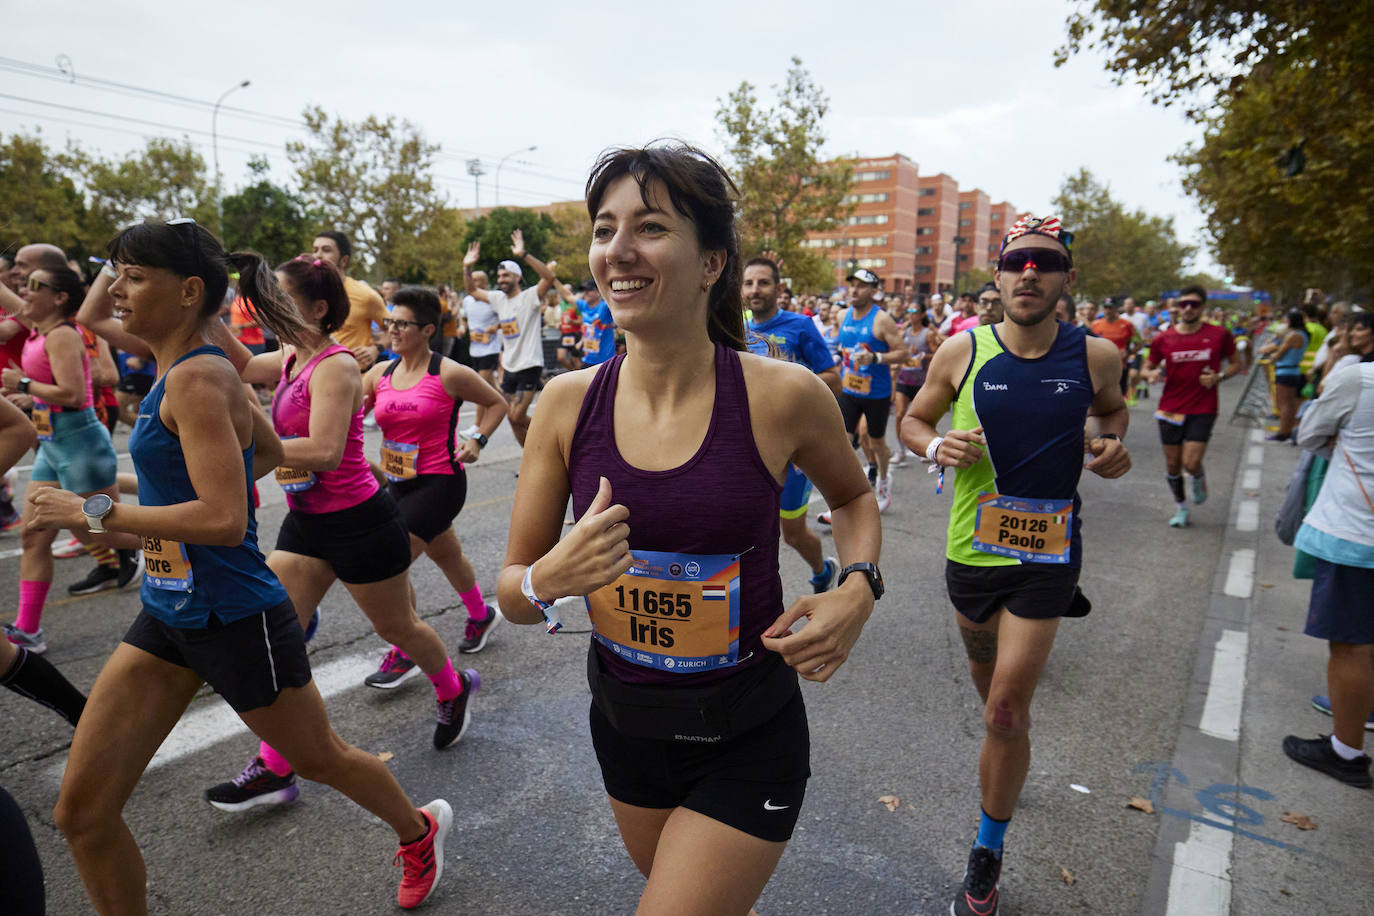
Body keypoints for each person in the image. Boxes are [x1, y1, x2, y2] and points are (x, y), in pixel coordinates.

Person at [497, 144, 882, 916]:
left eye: (649, 227)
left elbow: (854, 500)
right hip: (626, 729)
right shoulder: (567, 406)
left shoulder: (782, 396)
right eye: (605, 230)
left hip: (748, 734)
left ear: (712, 263)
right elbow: (510, 593)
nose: (618, 251)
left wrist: (857, 587)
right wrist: (551, 577)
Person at [27, 219, 450, 912]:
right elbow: (270, 453)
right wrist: (126, 254)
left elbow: (224, 521)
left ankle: (417, 828)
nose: (121, 290)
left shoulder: (198, 377)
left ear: (189, 291)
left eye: (136, 276)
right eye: (118, 272)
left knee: (320, 759)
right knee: (83, 815)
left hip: (236, 617)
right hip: (168, 610)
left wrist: (91, 515)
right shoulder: (189, 364)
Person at [901, 215, 1131, 916]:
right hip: (973, 553)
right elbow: (914, 421)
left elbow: (1113, 416)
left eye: (1045, 262)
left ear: (1064, 279)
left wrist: (1111, 447)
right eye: (1017, 261)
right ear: (997, 278)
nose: (1029, 272)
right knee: (987, 686)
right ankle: (1009, 753)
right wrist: (933, 447)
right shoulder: (960, 351)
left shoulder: (1094, 357)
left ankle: (988, 845)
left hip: (1049, 555)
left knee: (1005, 709)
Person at [208, 255, 477, 813]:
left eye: (281, 296)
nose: (268, 306)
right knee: (281, 632)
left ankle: (452, 687)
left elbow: (327, 452)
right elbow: (237, 362)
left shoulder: (334, 366)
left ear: (318, 308)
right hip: (306, 521)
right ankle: (275, 767)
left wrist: (245, 454)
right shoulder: (288, 359)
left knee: (398, 627)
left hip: (360, 522)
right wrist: (214, 294)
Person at [1, 267, 142, 654]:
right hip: (52, 443)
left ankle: (183, 540)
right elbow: (14, 305)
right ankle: (28, 629)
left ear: (60, 297)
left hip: (81, 444)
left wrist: (25, 386)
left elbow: (74, 394)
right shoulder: (37, 328)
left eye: (34, 286)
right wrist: (32, 399)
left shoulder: (64, 335)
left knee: (104, 531)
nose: (24, 292)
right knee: (34, 534)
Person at [363, 285, 509, 654]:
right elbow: (346, 416)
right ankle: (480, 614)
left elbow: (496, 403)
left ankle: (406, 649)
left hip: (440, 483)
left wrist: (477, 439)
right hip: (398, 481)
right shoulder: (380, 373)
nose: (392, 330)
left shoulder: (449, 373)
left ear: (428, 329)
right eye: (390, 322)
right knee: (447, 554)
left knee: (390, 564)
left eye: (402, 324)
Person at [1283, 357, 1374, 787]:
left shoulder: (1359, 379)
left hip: (1357, 534)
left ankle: (1346, 752)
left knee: (1354, 646)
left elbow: (1311, 434)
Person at [743, 255, 841, 592]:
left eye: (763, 282)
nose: (755, 290)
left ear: (778, 288)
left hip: (794, 449)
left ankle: (821, 572)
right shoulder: (738, 329)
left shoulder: (800, 326)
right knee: (745, 527)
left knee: (793, 532)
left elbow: (833, 377)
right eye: (749, 283)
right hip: (750, 446)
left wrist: (792, 386)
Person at [1143, 285, 1241, 528]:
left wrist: (1219, 377)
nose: (1188, 308)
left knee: (1191, 462)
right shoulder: (1163, 338)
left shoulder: (1219, 334)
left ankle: (1198, 476)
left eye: (1194, 304)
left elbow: (1237, 363)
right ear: (1178, 306)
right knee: (1173, 464)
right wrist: (1150, 374)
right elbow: (1148, 366)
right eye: (1184, 303)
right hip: (1170, 408)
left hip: (1203, 406)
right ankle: (1181, 507)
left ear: (1203, 307)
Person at [462, 231, 556, 447]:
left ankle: (557, 433)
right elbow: (471, 290)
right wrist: (466, 266)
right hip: (509, 366)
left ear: (517, 277)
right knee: (512, 419)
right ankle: (529, 459)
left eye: (505, 276)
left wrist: (523, 254)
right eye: (499, 277)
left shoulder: (530, 296)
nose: (501, 280)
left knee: (516, 416)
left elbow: (549, 278)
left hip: (529, 364)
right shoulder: (497, 299)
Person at [835, 268, 908, 513]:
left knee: (876, 443)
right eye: (852, 284)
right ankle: (846, 492)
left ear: (874, 291)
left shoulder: (882, 319)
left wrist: (875, 358)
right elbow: (842, 348)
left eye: (861, 286)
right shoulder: (842, 315)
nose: (854, 290)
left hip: (875, 393)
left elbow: (903, 353)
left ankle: (884, 483)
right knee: (843, 441)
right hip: (849, 389)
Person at [312, 230, 388, 371]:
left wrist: (376, 349)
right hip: (312, 378)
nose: (318, 255)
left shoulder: (366, 296)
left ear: (344, 260)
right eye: (315, 250)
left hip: (355, 378)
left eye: (326, 250)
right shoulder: (306, 293)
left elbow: (395, 328)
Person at [891, 312, 943, 469]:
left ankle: (927, 447)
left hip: (922, 382)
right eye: (909, 312)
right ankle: (900, 450)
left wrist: (922, 355)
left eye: (914, 312)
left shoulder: (928, 334)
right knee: (900, 415)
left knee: (925, 418)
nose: (910, 315)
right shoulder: (904, 332)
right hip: (903, 379)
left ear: (921, 315)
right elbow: (897, 349)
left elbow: (937, 354)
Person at [459, 269, 503, 439]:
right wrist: (462, 327)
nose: (475, 282)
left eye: (479, 279)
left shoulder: (492, 299)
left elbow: (507, 317)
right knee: (491, 386)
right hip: (475, 348)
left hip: (490, 348)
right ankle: (505, 402)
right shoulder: (467, 301)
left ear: (485, 282)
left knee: (480, 386)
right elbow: (465, 318)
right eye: (473, 279)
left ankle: (477, 426)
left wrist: (496, 327)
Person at [1260, 308, 1309, 441]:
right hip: (1293, 371)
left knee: (1284, 404)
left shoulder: (1293, 335)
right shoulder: (1302, 334)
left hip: (1286, 371)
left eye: (1286, 319)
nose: (1284, 322)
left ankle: (1283, 432)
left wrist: (1273, 355)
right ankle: (1288, 430)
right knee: (1290, 403)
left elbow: (1279, 353)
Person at [1090, 297, 1136, 396]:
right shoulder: (1095, 325)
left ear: (1116, 308)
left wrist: (1128, 352)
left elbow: (1137, 343)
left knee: (1119, 395)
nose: (1108, 310)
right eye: (1106, 307)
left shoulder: (1127, 324)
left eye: (1110, 308)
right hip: (1100, 365)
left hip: (1119, 365)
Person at [580, 278, 617, 368]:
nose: (585, 293)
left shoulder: (605, 306)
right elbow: (567, 296)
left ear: (598, 292)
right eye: (584, 290)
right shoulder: (584, 306)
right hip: (588, 358)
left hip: (605, 360)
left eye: (589, 290)